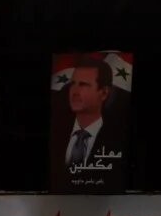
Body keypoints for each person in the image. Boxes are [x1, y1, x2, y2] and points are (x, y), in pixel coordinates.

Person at [50, 55, 129, 191]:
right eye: (72, 84)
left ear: (103, 93)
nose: (74, 91)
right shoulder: (54, 133)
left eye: (83, 85)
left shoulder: (119, 140)